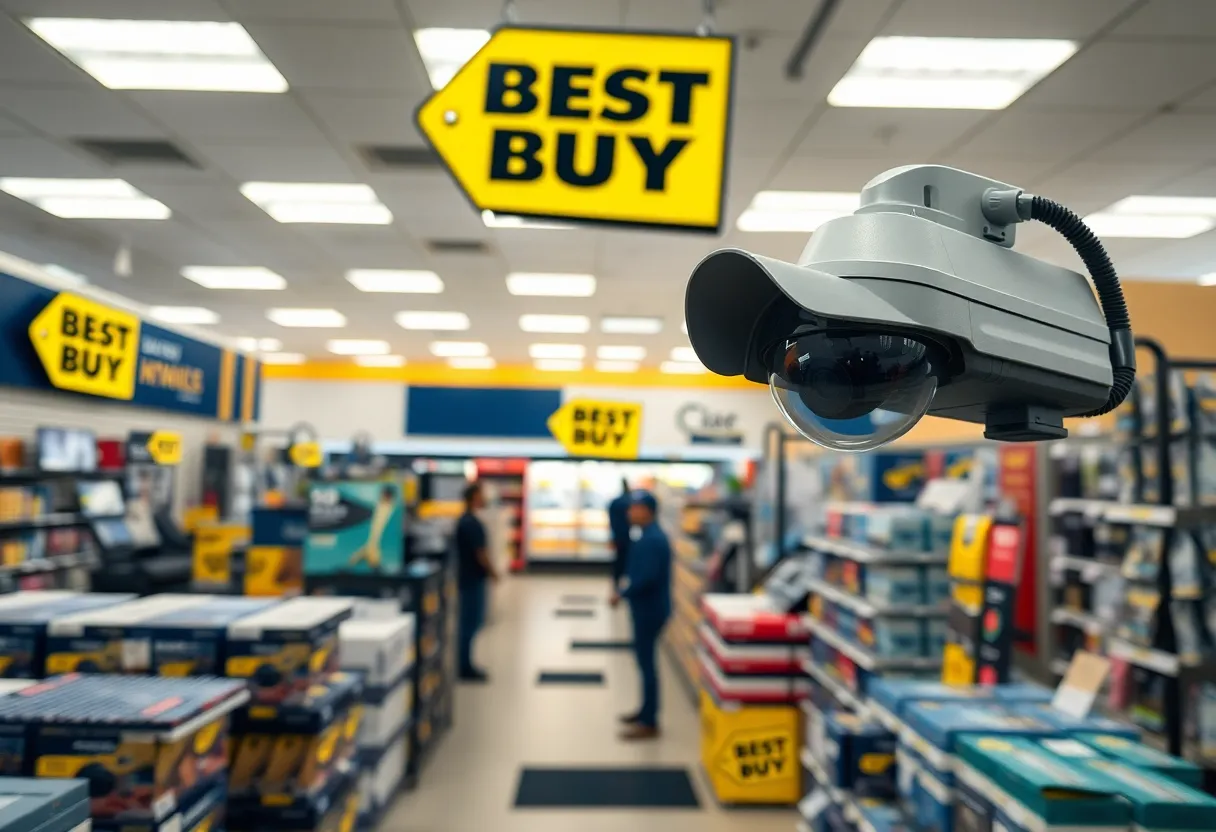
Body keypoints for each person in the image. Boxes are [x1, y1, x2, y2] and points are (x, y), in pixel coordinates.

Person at [617, 490, 672, 741]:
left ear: (646, 510)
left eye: (633, 508)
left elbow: (645, 578)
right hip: (646, 608)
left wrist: (622, 593)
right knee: (643, 663)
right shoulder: (648, 535)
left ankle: (649, 721)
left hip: (649, 610)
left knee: (647, 664)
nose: (629, 512)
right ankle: (644, 711)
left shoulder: (652, 540)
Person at [455, 482, 497, 682]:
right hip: (472, 580)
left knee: (469, 623)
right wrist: (492, 572)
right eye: (482, 494)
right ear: (474, 497)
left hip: (467, 578)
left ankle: (465, 663)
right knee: (470, 623)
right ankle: (464, 666)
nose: (485, 498)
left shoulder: (465, 521)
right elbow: (480, 552)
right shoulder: (471, 523)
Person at [607, 479, 632, 604]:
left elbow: (610, 521)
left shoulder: (615, 502)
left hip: (617, 537)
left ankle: (616, 588)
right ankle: (622, 589)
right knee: (626, 564)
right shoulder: (628, 502)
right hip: (626, 538)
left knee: (618, 564)